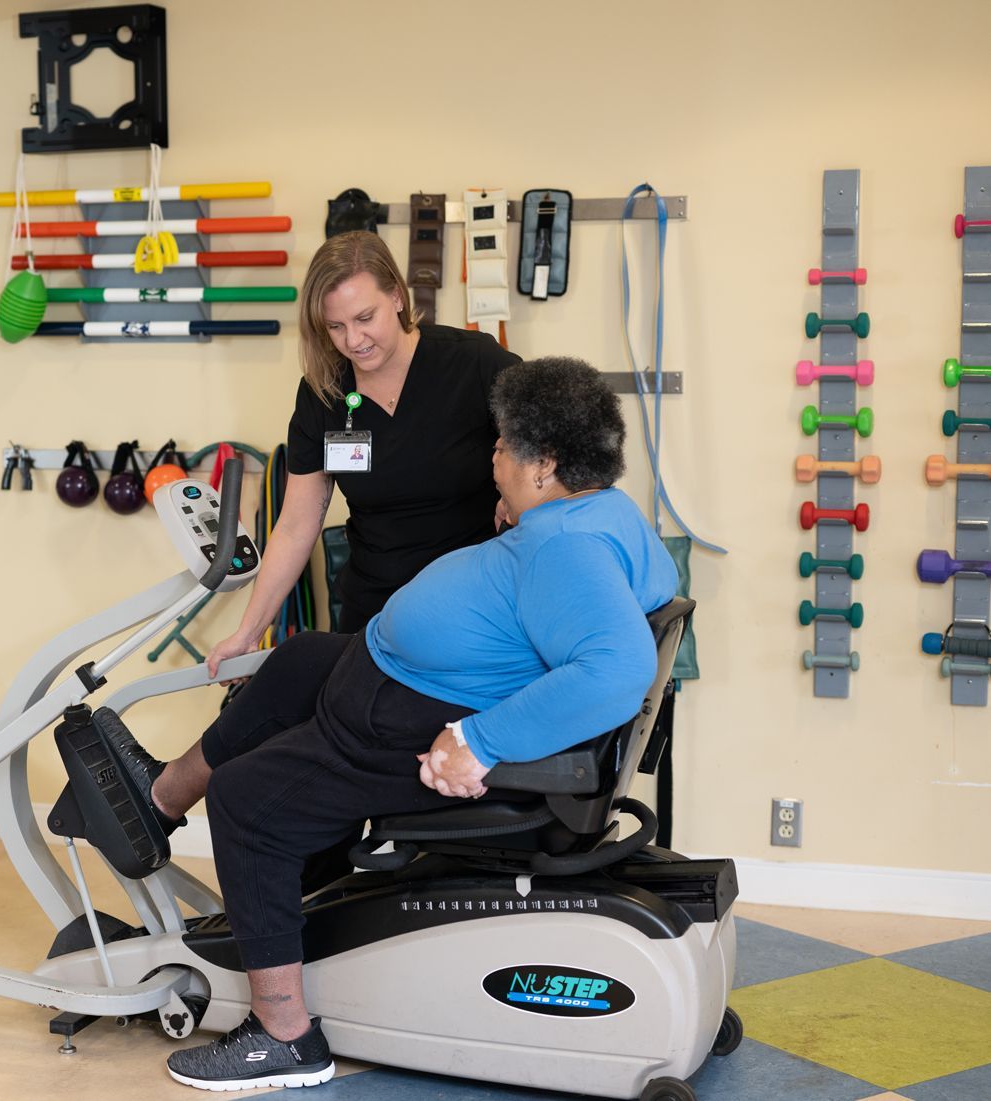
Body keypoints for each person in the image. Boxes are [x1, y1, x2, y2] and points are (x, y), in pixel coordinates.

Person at [94, 358, 679, 1091]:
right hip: (389, 677)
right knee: (301, 659)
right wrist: (531, 519)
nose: (491, 457)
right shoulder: (598, 511)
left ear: (545, 465)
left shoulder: (565, 548)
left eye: (503, 447)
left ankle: (282, 1038)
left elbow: (617, 669)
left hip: (403, 720)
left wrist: (478, 740)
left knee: (248, 803)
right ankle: (160, 800)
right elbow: (654, 589)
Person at [204, 230, 519, 677]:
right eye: (335, 326)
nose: (353, 340)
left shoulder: (474, 363)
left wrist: (517, 499)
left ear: (396, 296)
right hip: (373, 615)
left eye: (364, 317)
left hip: (471, 610)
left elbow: (549, 456)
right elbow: (296, 526)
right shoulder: (323, 393)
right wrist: (249, 632)